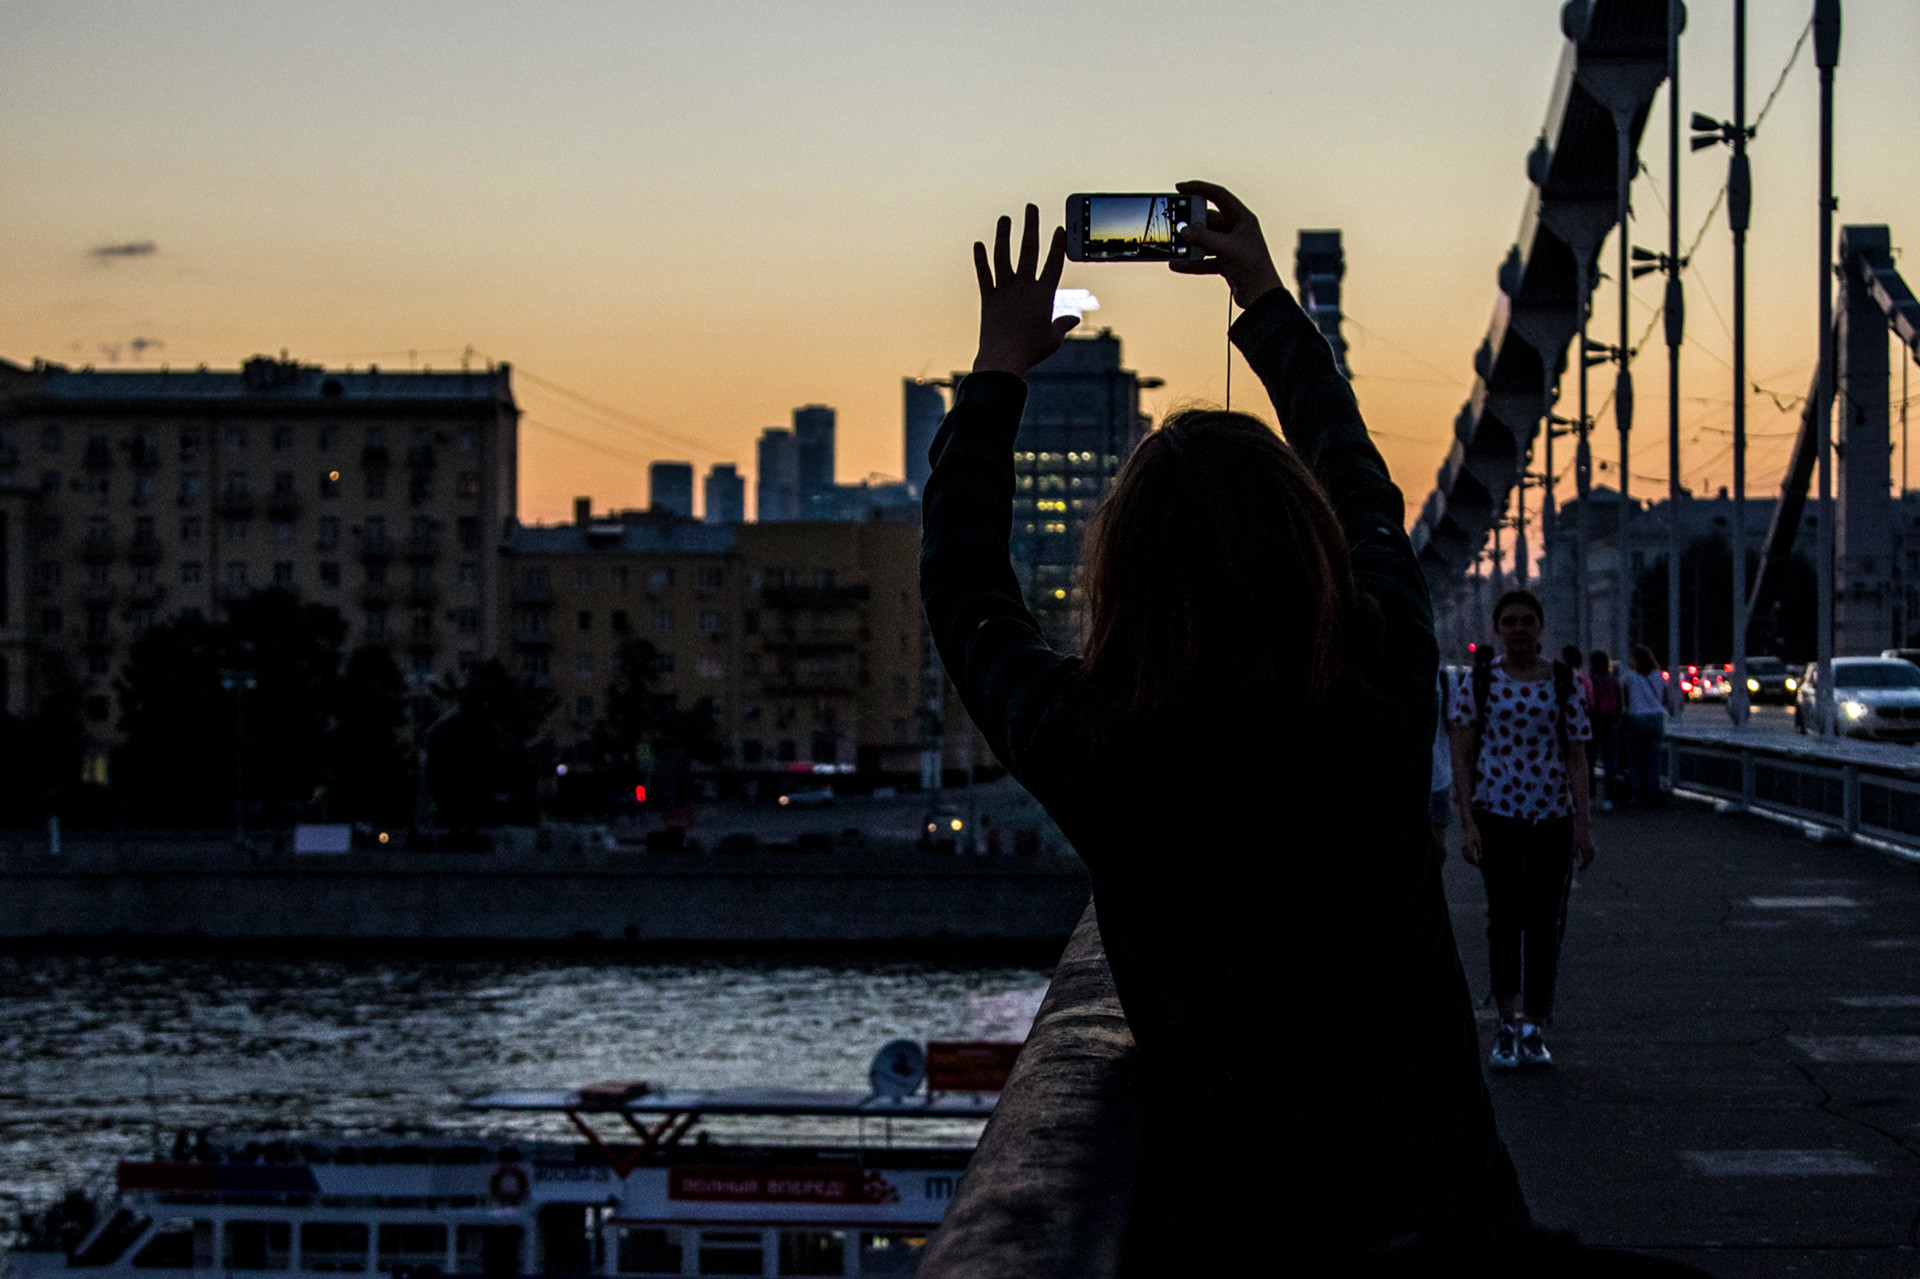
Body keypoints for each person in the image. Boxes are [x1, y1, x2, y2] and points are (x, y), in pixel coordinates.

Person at [921, 190, 1530, 1268]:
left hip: (1242, 1239)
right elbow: (1363, 488)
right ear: (1310, 547)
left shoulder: (1100, 742)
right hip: (1447, 1220)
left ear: (1124, 586)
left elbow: (967, 588)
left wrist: (997, 370)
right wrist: (1260, 293)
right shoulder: (1380, 673)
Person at [1448, 590, 1594, 1071]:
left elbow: (1577, 755)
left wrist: (1583, 824)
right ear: (1497, 629)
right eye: (1509, 621)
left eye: (1527, 620)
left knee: (1544, 924)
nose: (1518, 629)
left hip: (1552, 815)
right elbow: (1463, 751)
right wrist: (1467, 821)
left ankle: (1534, 1027)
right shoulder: (1480, 683)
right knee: (1504, 920)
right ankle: (1505, 1025)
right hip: (1497, 814)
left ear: (1541, 626)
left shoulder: (1564, 682)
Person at [1621, 645, 1672, 808]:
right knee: (1653, 760)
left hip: (1637, 717)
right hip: (1656, 717)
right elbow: (1664, 698)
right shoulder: (1659, 675)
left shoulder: (1630, 677)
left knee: (1635, 759)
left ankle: (1636, 793)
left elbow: (1626, 699)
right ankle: (1651, 795)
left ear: (1636, 659)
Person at [1588, 648, 1622, 807]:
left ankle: (1591, 794)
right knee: (1611, 760)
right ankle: (1609, 796)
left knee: (1590, 759)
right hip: (1611, 722)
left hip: (1594, 722)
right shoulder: (1613, 679)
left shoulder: (1591, 680)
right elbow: (1620, 702)